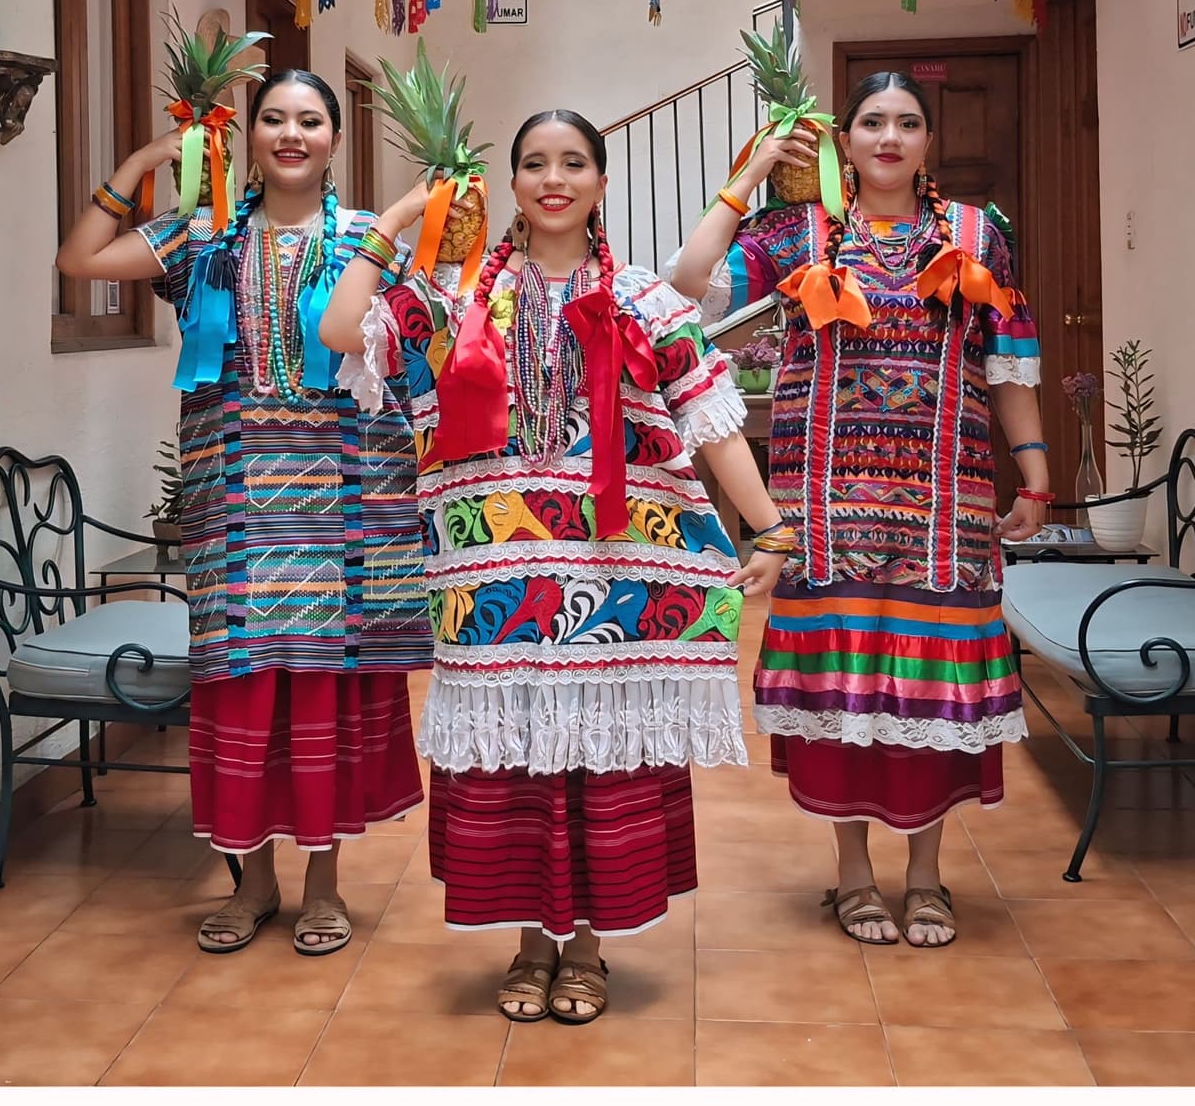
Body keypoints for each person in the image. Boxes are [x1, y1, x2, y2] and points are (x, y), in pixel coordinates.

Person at [322, 110, 792, 1024]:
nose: (553, 178)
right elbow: (345, 329)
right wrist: (392, 225)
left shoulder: (647, 302)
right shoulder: (455, 299)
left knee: (595, 764)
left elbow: (709, 414)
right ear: (511, 183)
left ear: (601, 183)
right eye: (533, 161)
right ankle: (529, 943)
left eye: (573, 162)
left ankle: (586, 947)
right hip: (495, 586)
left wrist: (770, 528)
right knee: (519, 767)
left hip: (615, 579)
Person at [669, 71, 1050, 949]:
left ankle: (925, 875)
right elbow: (688, 282)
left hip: (944, 508)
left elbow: (1012, 365)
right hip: (824, 509)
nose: (889, 136)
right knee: (842, 695)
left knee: (931, 697)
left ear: (928, 141)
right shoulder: (791, 230)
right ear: (843, 141)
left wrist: (1033, 478)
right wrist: (748, 173)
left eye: (907, 123)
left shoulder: (977, 233)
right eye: (871, 122)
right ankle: (852, 874)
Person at [55, 69, 429, 959]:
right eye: (273, 119)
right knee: (245, 688)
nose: (290, 133)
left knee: (321, 690)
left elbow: (421, 353)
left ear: (336, 139)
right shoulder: (204, 237)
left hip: (346, 507)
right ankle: (253, 883)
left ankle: (324, 885)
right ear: (248, 136)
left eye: (310, 119)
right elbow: (81, 259)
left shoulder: (366, 241)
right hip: (236, 505)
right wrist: (152, 158)